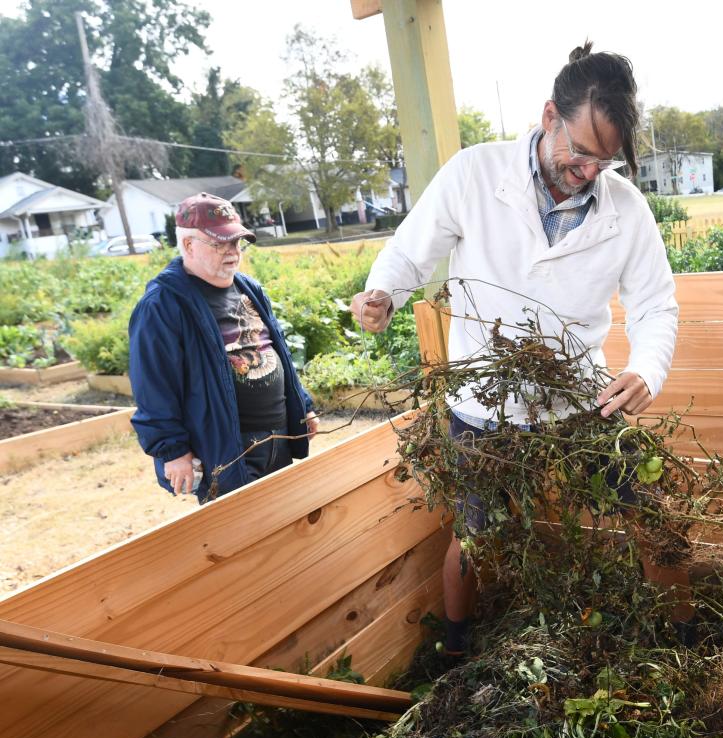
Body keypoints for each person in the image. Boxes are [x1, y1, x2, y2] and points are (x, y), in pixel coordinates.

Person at [351, 42, 682, 655]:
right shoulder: (476, 174)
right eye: (578, 152)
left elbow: (655, 305)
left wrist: (645, 369)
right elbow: (409, 250)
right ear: (549, 114)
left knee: (647, 512)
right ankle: (456, 651)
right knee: (475, 534)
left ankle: (676, 634)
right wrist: (381, 294)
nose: (586, 172)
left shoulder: (627, 210)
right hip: (485, 404)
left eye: (602, 162)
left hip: (584, 397)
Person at [129, 193, 318, 502]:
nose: (233, 251)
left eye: (236, 242)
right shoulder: (163, 305)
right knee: (245, 539)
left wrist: (303, 406)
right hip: (227, 448)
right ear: (189, 245)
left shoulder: (248, 287)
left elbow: (277, 350)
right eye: (220, 243)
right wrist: (172, 451)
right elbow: (153, 386)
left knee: (287, 526)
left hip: (278, 435)